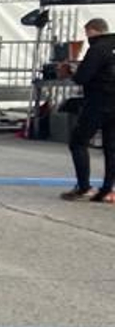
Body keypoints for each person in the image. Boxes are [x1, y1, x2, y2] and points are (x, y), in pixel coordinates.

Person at [60, 17, 115, 202]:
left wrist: (73, 70)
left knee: (78, 142)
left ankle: (84, 186)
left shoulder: (97, 48)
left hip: (98, 101)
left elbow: (83, 77)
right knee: (111, 147)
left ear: (92, 31)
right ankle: (108, 189)